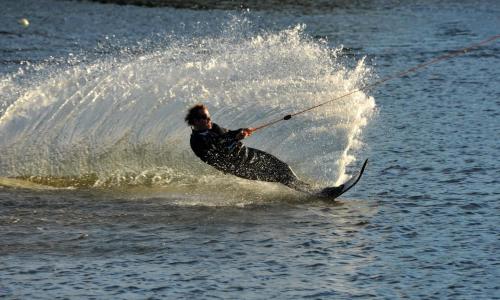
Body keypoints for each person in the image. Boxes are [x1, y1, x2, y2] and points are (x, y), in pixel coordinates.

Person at [185, 104, 315, 193]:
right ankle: (312, 192)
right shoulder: (197, 141)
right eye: (204, 117)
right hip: (238, 167)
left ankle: (311, 190)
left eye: (208, 116)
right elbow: (220, 153)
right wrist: (235, 139)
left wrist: (241, 131)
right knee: (279, 176)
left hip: (248, 153)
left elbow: (229, 133)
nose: (208, 119)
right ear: (195, 121)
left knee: (283, 167)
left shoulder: (214, 127)